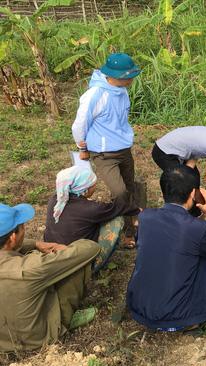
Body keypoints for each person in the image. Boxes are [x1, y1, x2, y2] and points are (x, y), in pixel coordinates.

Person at [126, 165, 206, 331]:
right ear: (194, 194)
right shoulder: (197, 228)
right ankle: (192, 320)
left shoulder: (145, 217)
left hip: (140, 309)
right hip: (180, 316)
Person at [0, 203, 100, 352]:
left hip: (4, 341)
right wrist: (63, 251)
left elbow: (9, 249)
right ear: (13, 237)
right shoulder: (32, 267)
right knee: (76, 266)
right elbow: (90, 248)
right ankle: (66, 319)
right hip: (37, 339)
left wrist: (35, 244)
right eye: (22, 227)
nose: (24, 230)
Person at [71, 53, 142, 247]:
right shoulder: (95, 95)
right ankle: (125, 226)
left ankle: (131, 230)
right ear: (114, 75)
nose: (131, 79)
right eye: (128, 76)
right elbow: (79, 125)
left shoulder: (122, 90)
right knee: (119, 193)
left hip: (123, 149)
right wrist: (81, 146)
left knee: (129, 188)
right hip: (104, 154)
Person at [44, 166, 140, 272]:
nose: (96, 186)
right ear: (85, 189)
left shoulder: (55, 200)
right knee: (117, 219)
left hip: (51, 257)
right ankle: (95, 266)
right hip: (77, 264)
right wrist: (137, 210)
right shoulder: (91, 209)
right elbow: (117, 208)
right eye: (93, 184)